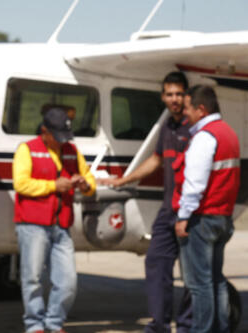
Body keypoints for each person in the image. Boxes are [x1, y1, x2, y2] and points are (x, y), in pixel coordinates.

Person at [99, 71, 192, 332]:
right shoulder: (168, 127)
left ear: (186, 96)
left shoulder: (194, 126)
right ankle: (159, 324)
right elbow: (156, 159)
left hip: (191, 211)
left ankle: (186, 325)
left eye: (179, 94)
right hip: (168, 209)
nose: (174, 99)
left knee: (192, 273)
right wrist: (122, 180)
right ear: (163, 97)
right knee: (155, 262)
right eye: (169, 94)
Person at [13, 107, 96, 333]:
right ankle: (34, 324)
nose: (62, 142)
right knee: (32, 277)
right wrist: (53, 186)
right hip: (32, 224)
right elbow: (20, 183)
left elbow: (89, 179)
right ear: (44, 131)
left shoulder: (72, 150)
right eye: (57, 137)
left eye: (64, 137)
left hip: (61, 225)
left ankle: (54, 322)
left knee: (68, 281)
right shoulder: (27, 149)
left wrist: (85, 185)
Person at [173, 85, 240, 332]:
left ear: (201, 109)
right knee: (216, 280)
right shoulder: (228, 134)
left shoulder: (204, 137)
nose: (185, 113)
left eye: (188, 108)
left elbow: (194, 184)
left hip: (202, 218)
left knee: (199, 284)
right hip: (222, 216)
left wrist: (183, 216)